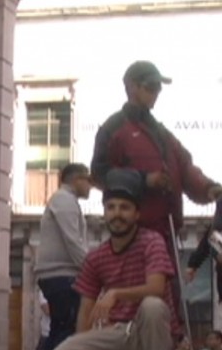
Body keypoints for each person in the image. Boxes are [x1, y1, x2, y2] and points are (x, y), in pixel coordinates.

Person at [50, 168, 181, 350]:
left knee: (152, 306)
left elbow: (157, 288)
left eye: (124, 208)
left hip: (151, 333)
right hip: (119, 335)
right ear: (105, 213)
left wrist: (116, 293)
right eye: (111, 208)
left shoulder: (152, 242)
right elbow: (85, 314)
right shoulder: (96, 257)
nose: (116, 214)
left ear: (137, 214)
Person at [91, 60, 222, 245]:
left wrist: (209, 188)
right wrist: (145, 180)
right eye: (151, 86)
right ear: (131, 87)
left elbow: (185, 167)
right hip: (133, 238)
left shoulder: (162, 133)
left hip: (167, 234)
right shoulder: (112, 129)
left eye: (159, 88)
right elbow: (99, 174)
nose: (157, 93)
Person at [34, 162, 91, 350]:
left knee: (61, 323)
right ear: (76, 180)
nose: (90, 186)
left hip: (59, 273)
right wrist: (91, 269)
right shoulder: (64, 201)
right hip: (61, 274)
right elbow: (73, 240)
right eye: (88, 180)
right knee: (67, 323)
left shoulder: (65, 201)